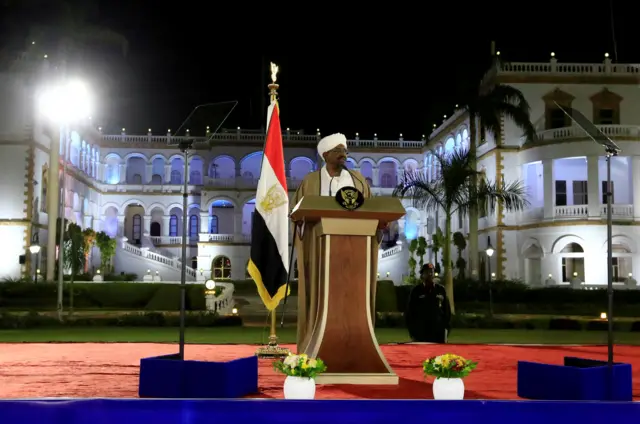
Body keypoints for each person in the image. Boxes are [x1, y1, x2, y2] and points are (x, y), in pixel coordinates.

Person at [291, 133, 382, 353]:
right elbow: (296, 214)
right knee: (321, 296)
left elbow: (372, 210)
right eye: (338, 150)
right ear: (325, 155)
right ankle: (314, 343)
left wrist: (379, 224)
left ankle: (357, 346)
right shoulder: (311, 181)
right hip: (320, 250)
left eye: (345, 151)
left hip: (355, 251)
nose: (344, 154)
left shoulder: (358, 180)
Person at [405, 263, 452, 343]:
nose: (430, 274)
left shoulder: (440, 290)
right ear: (422, 275)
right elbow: (410, 312)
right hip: (421, 332)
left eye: (432, 272)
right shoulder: (416, 291)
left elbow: (447, 311)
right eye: (427, 272)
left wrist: (446, 328)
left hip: (438, 333)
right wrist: (413, 332)